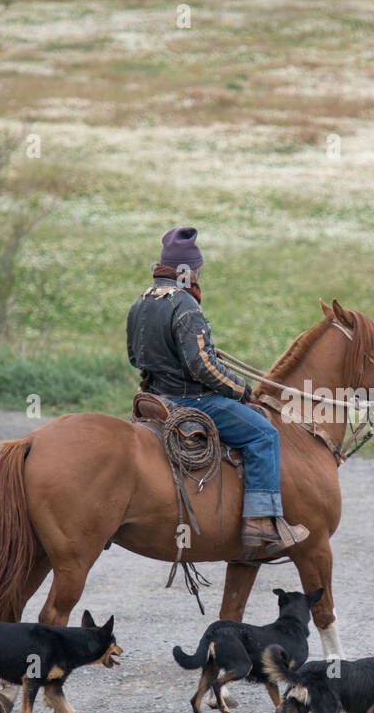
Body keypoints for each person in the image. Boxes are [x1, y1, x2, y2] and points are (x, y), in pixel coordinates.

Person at [126, 226, 309, 558]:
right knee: (264, 434)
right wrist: (241, 389)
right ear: (188, 270)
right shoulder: (185, 305)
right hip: (191, 399)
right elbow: (202, 367)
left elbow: (134, 356)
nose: (198, 274)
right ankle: (259, 524)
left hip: (155, 396)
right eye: (197, 269)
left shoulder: (142, 301)